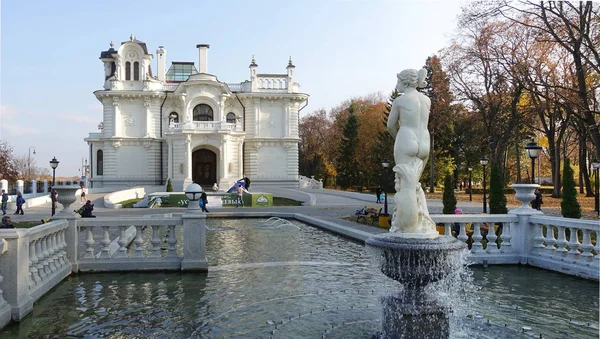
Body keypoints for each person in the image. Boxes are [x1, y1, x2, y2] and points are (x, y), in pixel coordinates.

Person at [386, 68, 436, 236]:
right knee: (414, 185)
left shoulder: (400, 101)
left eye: (398, 81)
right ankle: (421, 223)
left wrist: (398, 138)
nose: (397, 85)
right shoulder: (426, 100)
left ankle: (406, 228)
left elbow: (390, 125)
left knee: (406, 186)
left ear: (405, 82)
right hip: (424, 140)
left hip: (407, 137)